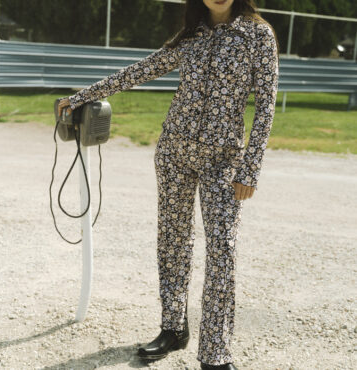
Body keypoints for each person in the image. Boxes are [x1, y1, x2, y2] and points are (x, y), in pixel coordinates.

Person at [58, 0, 279, 368]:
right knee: (173, 240)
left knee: (222, 250)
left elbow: (266, 105)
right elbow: (141, 70)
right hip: (174, 151)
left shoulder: (258, 35)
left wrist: (250, 168)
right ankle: (174, 327)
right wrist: (82, 97)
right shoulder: (191, 34)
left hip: (223, 159)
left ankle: (215, 354)